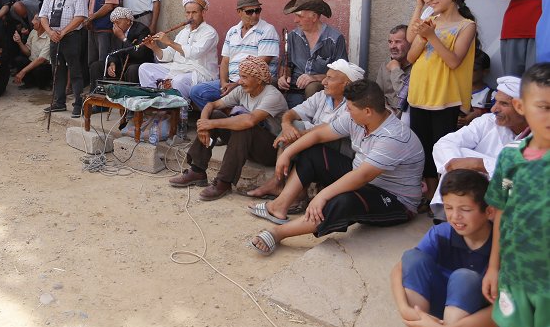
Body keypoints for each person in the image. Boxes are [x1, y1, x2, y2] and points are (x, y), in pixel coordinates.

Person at [248, 80, 424, 256]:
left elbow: (362, 177)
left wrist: (322, 196)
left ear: (368, 111)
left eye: (350, 108)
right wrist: (287, 153)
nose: (346, 111)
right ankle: (279, 207)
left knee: (344, 201)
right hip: (361, 177)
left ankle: (279, 233)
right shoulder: (357, 118)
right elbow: (318, 134)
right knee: (313, 153)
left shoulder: (393, 138)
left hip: (395, 200)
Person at [482, 62, 550, 327]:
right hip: (516, 276)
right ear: (522, 107)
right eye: (543, 107)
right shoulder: (510, 156)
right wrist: (493, 267)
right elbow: (501, 212)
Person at [391, 169, 497, 327]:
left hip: (480, 324)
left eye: (465, 209)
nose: (455, 216)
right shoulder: (442, 233)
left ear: (489, 211)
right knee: (413, 258)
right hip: (442, 316)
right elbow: (400, 268)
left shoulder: (502, 245)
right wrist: (405, 308)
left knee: (464, 278)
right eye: (448, 207)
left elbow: (511, 307)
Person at [169, 56, 288, 201]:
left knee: (243, 126)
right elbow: (211, 105)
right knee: (215, 115)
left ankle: (224, 182)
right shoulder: (243, 90)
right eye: (240, 77)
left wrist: (212, 124)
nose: (240, 81)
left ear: (259, 79)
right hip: (248, 145)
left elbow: (250, 121)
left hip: (272, 151)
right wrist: (204, 125)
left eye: (245, 77)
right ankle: (197, 170)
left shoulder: (272, 95)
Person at [246, 59, 364, 199]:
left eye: (330, 78)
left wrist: (297, 133)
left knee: (299, 133)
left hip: (337, 155)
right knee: (294, 128)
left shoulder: (354, 105)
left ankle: (288, 188)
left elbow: (327, 131)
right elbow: (292, 113)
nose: (323, 82)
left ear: (346, 84)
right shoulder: (322, 96)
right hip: (315, 144)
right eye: (325, 77)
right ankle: (283, 186)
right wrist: (286, 126)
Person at [408, 0, 477, 204]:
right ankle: (429, 196)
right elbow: (411, 56)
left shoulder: (467, 26)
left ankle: (443, 198)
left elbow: (454, 61)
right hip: (420, 95)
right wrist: (424, 32)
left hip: (444, 97)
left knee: (442, 149)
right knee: (423, 150)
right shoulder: (430, 21)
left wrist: (432, 37)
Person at [431, 76, 529, 220]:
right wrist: (461, 168)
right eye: (496, 102)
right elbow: (444, 143)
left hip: (510, 209)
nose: (495, 109)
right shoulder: (487, 122)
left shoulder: (540, 137)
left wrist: (479, 164)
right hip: (473, 193)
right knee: (457, 155)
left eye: (504, 104)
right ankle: (451, 215)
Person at [189, 0, 278, 111]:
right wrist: (224, 83)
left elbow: (261, 63)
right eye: (249, 11)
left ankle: (229, 117)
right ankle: (228, 115)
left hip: (253, 83)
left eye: (257, 10)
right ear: (239, 12)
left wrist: (237, 84)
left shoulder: (267, 30)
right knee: (196, 91)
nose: (254, 15)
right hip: (231, 82)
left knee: (238, 98)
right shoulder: (232, 31)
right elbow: (225, 61)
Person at [138, 0, 219, 102]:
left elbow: (194, 53)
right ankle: (155, 104)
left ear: (203, 13)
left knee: (178, 80)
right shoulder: (183, 32)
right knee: (144, 68)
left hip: (199, 72)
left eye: (194, 12)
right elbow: (169, 55)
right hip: (177, 68)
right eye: (188, 12)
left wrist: (170, 42)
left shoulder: (209, 32)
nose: (190, 16)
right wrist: (154, 47)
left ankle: (177, 111)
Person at [277, 0, 348, 107]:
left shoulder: (334, 38)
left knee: (312, 87)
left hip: (319, 88)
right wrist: (283, 77)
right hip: (294, 88)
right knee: (269, 82)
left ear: (314, 17)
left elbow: (342, 74)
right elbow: (287, 65)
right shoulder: (293, 36)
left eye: (299, 16)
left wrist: (314, 78)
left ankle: (313, 121)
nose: (295, 20)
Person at [39, 0, 88, 118]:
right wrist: (50, 32)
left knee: (75, 71)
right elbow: (43, 16)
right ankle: (59, 102)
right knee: (57, 70)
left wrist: (64, 32)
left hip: (72, 36)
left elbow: (80, 16)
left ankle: (78, 104)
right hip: (54, 37)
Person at [89, 7, 152, 85]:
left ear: (128, 21)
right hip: (121, 66)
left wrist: (123, 38)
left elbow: (139, 54)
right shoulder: (117, 31)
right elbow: (113, 51)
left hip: (136, 64)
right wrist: (112, 64)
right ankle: (96, 94)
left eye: (118, 22)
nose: (115, 26)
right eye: (113, 23)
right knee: (96, 66)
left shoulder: (142, 30)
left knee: (132, 69)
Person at [85, 0, 119, 89]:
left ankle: (102, 98)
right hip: (92, 27)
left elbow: (109, 5)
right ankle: (94, 94)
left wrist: (92, 16)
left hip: (104, 29)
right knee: (92, 62)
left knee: (102, 63)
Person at [374, 25, 412, 116]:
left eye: (398, 42)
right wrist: (388, 111)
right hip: (387, 118)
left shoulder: (417, 66)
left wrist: (395, 69)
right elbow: (377, 95)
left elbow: (406, 94)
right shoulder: (385, 65)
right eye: (390, 42)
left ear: (410, 43)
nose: (392, 46)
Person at [12, 15, 52, 89]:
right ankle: (30, 83)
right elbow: (28, 52)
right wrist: (19, 42)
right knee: (19, 60)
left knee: (40, 69)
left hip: (43, 65)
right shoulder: (33, 32)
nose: (32, 21)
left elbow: (41, 59)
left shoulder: (50, 36)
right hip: (32, 61)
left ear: (42, 23)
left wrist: (22, 72)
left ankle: (44, 84)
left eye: (35, 19)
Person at [459, 50, 493, 127]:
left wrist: (480, 112)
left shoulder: (492, 95)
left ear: (485, 71)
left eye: (473, 69)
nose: (467, 72)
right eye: (464, 68)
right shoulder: (453, 92)